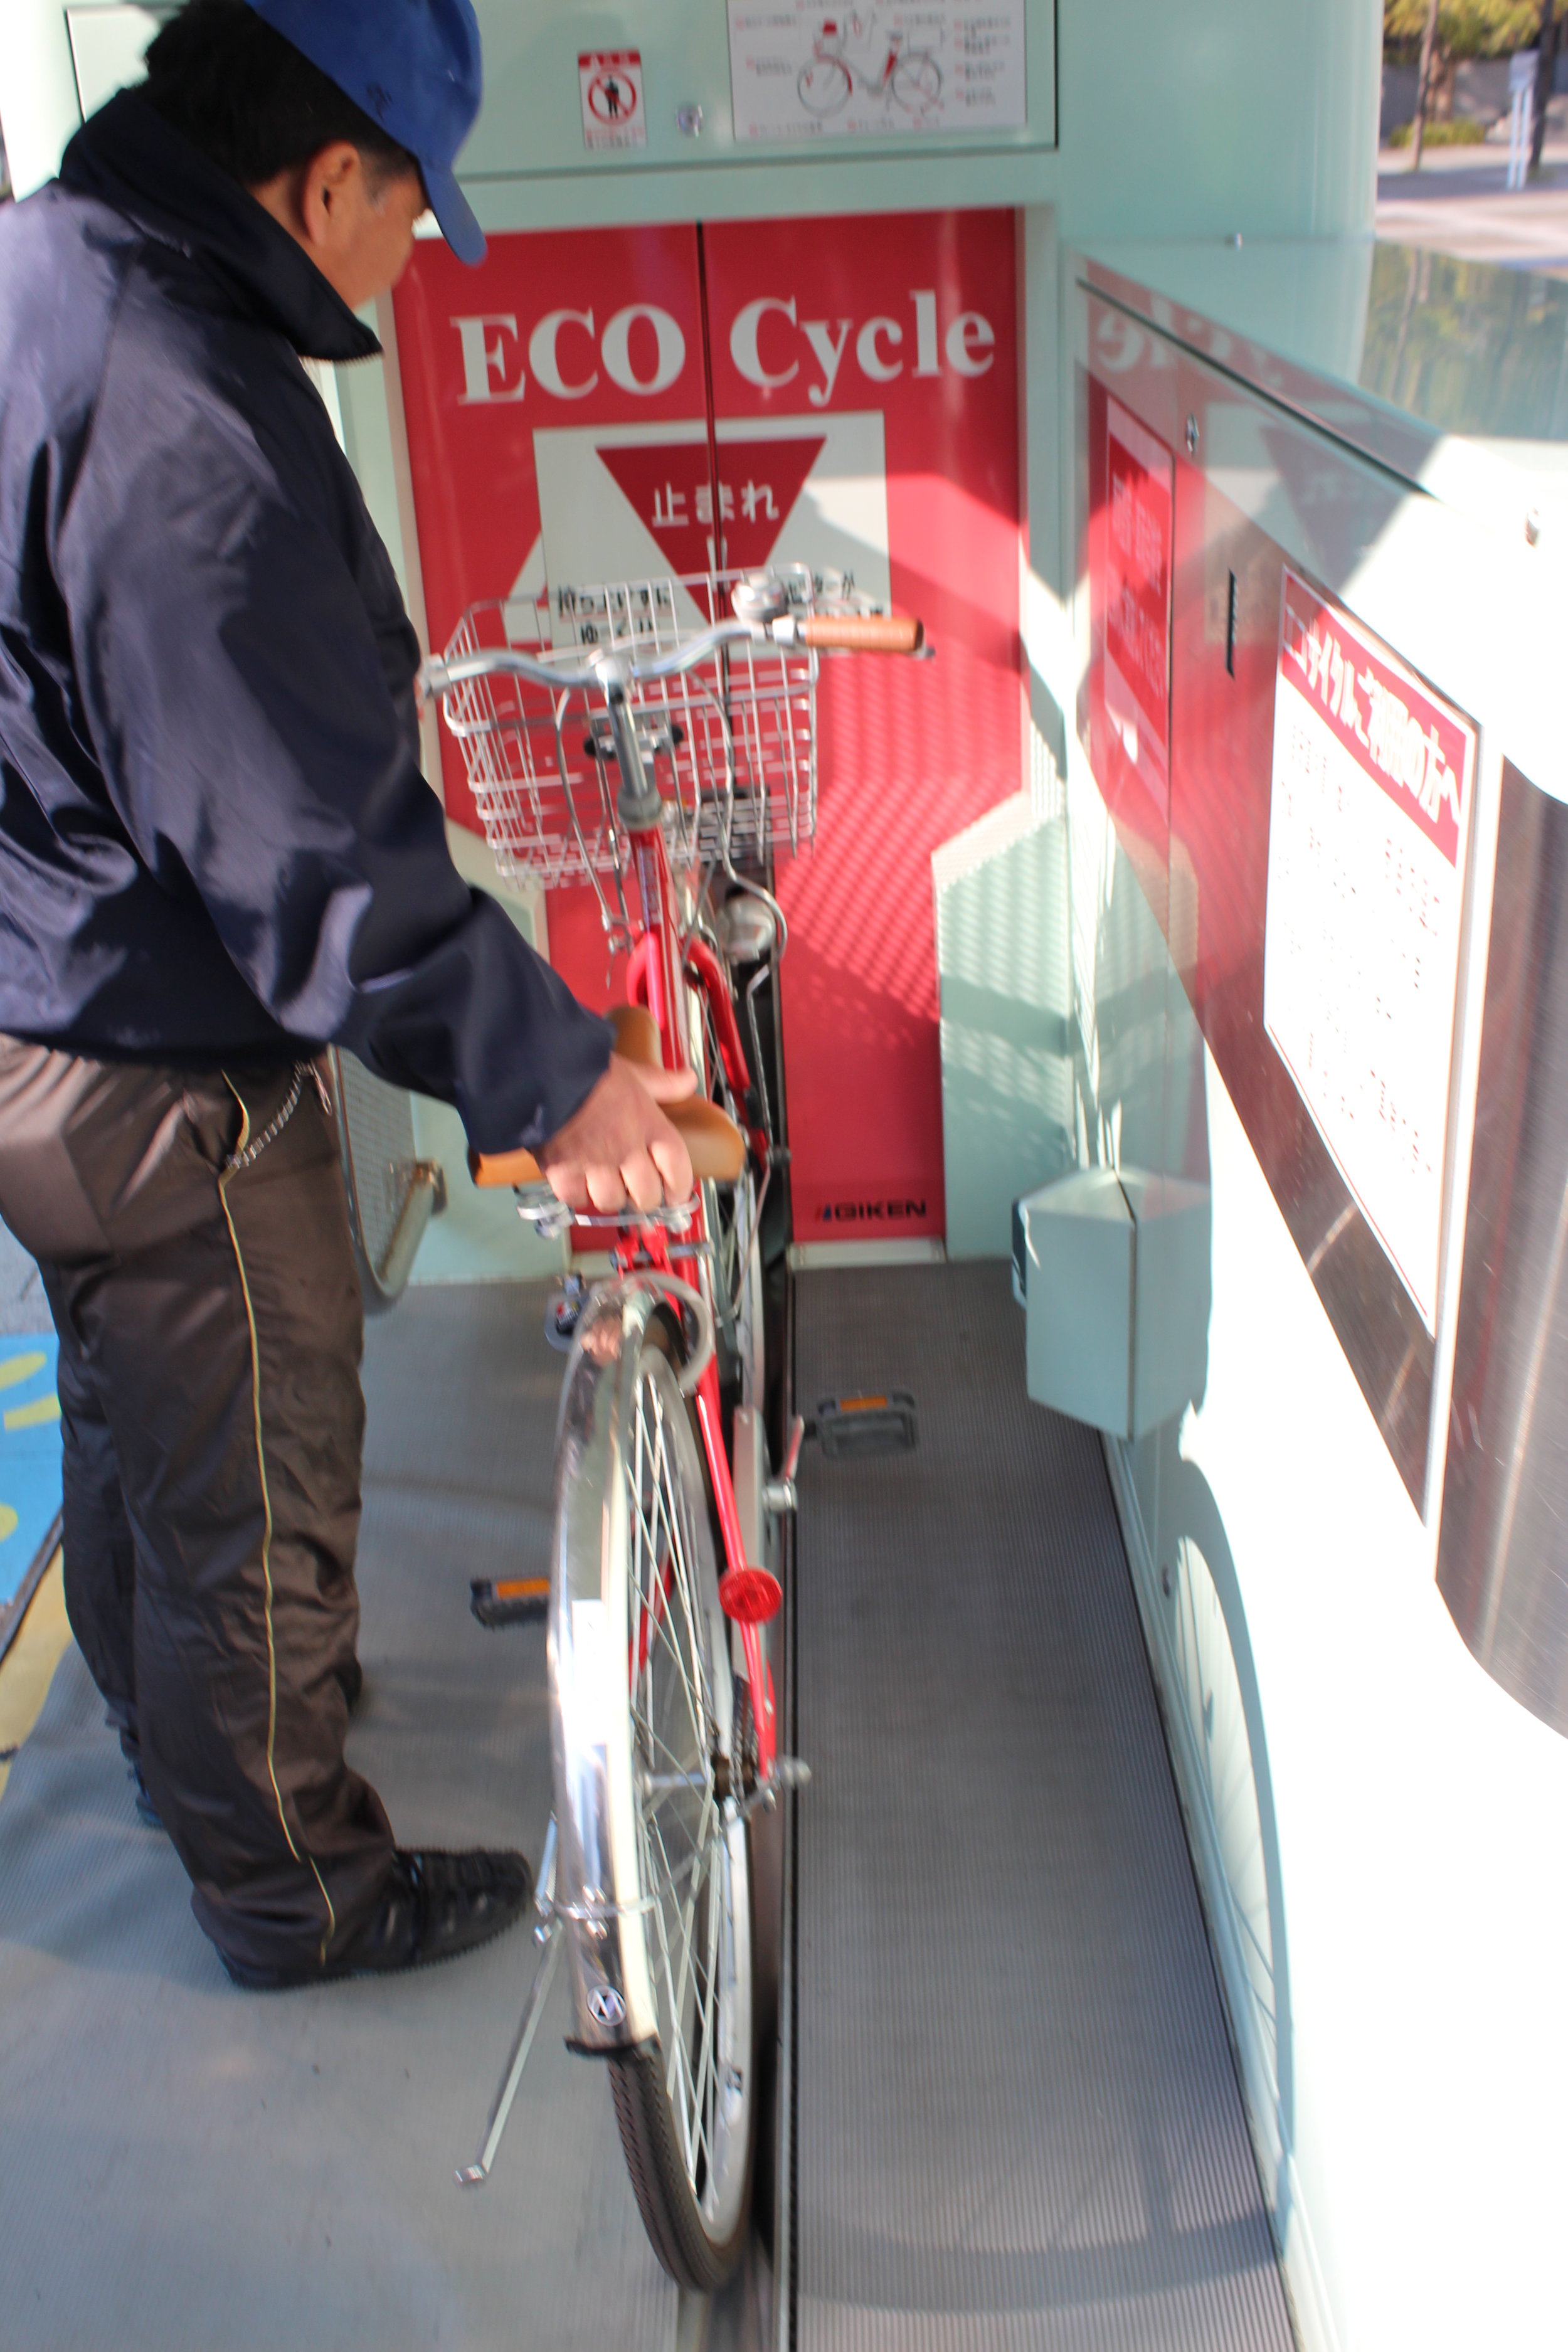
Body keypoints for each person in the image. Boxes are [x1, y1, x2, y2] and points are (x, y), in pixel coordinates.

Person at [0, 0, 694, 1989]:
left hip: (40, 999)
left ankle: (176, 1752)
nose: (415, 259)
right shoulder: (175, 408)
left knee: (142, 1445)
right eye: (413, 212)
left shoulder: (58, 264)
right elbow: (304, 856)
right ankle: (302, 1888)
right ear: (323, 180)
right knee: (261, 1485)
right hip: (154, 1074)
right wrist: (554, 1077)